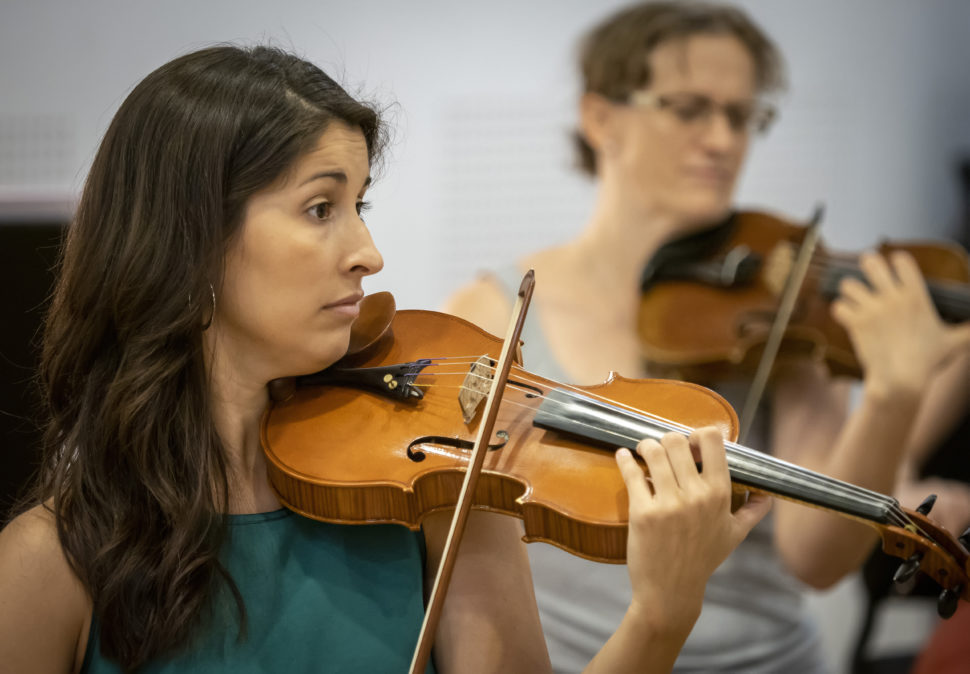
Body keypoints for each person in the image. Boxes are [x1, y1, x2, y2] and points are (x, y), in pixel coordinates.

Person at [0, 45, 771, 674]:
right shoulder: (44, 565)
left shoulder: (436, 492)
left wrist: (662, 615)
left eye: (359, 205)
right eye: (320, 208)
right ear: (189, 236)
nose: (367, 253)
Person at [443, 2, 970, 672]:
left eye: (742, 115)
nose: (724, 140)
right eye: (690, 109)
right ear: (600, 118)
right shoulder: (492, 313)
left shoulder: (780, 304)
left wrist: (895, 393)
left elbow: (816, 559)